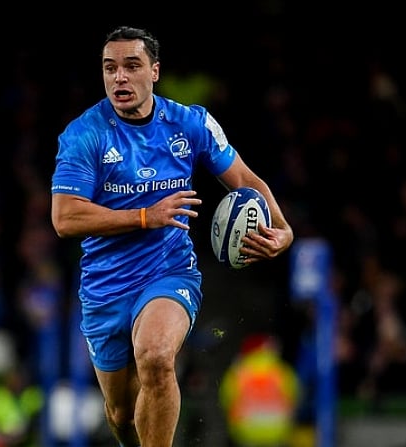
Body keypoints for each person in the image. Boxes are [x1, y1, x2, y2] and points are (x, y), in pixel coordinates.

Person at [50, 25, 294, 447]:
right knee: (121, 414)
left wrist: (284, 231)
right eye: (110, 68)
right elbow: (65, 219)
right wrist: (145, 216)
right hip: (105, 287)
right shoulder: (84, 134)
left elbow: (245, 181)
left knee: (158, 357)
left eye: (131, 66)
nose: (119, 78)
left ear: (155, 71)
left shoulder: (190, 123)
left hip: (169, 271)